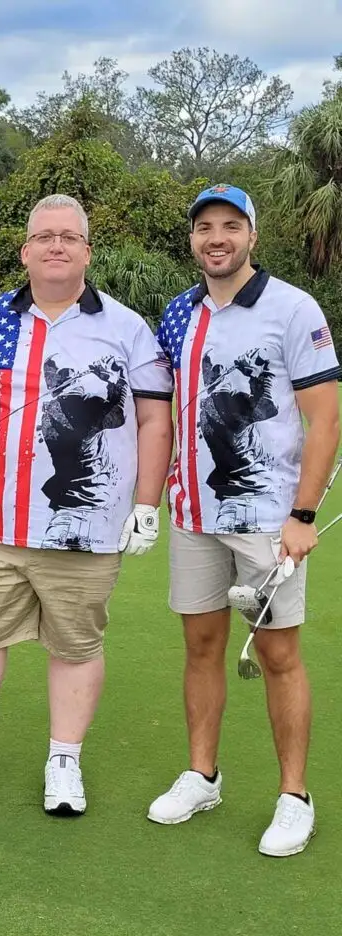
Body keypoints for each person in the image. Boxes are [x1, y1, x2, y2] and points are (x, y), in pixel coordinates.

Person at [0, 193, 174, 815]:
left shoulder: (126, 327)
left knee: (76, 646)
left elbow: (154, 418)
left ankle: (64, 760)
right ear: (25, 251)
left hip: (86, 525)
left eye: (69, 236)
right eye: (45, 236)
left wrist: (147, 503)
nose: (56, 246)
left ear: (87, 251)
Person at [148, 184, 340, 857]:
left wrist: (303, 514)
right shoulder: (180, 313)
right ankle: (203, 775)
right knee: (201, 645)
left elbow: (325, 419)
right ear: (193, 239)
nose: (217, 238)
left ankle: (294, 796)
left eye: (231, 225)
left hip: (267, 517)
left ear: (252, 235)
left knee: (278, 654)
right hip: (194, 511)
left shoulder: (293, 308)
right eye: (205, 227)